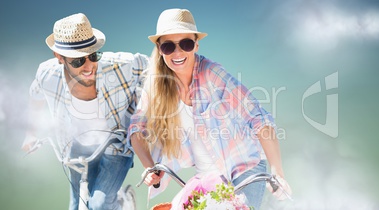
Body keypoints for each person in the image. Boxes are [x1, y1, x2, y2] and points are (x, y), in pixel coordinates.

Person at [128, 8, 292, 210]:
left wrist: (277, 173)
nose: (177, 53)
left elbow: (259, 118)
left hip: (243, 171)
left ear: (196, 44)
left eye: (186, 44)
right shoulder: (156, 84)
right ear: (160, 49)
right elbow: (136, 129)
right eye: (169, 46)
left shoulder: (211, 74)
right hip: (207, 179)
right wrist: (149, 167)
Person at [21, 13, 148, 210]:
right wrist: (30, 134)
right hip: (77, 147)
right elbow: (35, 95)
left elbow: (154, 68)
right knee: (75, 205)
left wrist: (141, 108)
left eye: (93, 55)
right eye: (78, 61)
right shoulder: (47, 74)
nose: (89, 66)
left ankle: (123, 202)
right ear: (60, 57)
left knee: (98, 205)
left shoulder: (119, 66)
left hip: (116, 142)